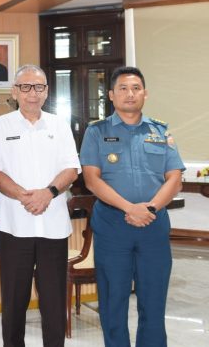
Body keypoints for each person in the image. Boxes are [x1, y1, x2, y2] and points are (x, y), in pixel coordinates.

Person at [79, 66, 183, 347]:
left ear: (145, 94)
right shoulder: (96, 132)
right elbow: (91, 180)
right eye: (123, 88)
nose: (130, 94)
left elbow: (175, 179)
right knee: (113, 301)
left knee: (154, 300)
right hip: (113, 227)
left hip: (154, 226)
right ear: (111, 95)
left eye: (136, 88)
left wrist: (150, 209)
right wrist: (129, 208)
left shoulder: (160, 131)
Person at [0, 64, 80, 346]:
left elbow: (71, 168)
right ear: (15, 92)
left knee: (54, 303)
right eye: (25, 87)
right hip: (14, 227)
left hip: (53, 228)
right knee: (14, 302)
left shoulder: (59, 125)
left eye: (38, 87)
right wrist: (24, 196)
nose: (32, 93)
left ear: (47, 91)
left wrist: (48, 193)